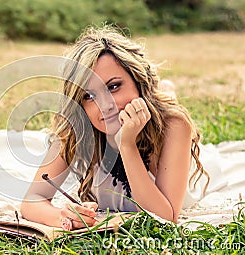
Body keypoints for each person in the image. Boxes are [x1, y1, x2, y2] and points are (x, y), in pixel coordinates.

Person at [20, 25, 210, 229]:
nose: (105, 105)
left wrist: (126, 144)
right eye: (89, 96)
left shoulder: (173, 126)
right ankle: (162, 90)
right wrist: (62, 217)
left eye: (113, 86)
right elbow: (32, 198)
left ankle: (165, 92)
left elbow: (165, 217)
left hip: (185, 167)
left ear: (137, 81)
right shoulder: (76, 129)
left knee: (167, 106)